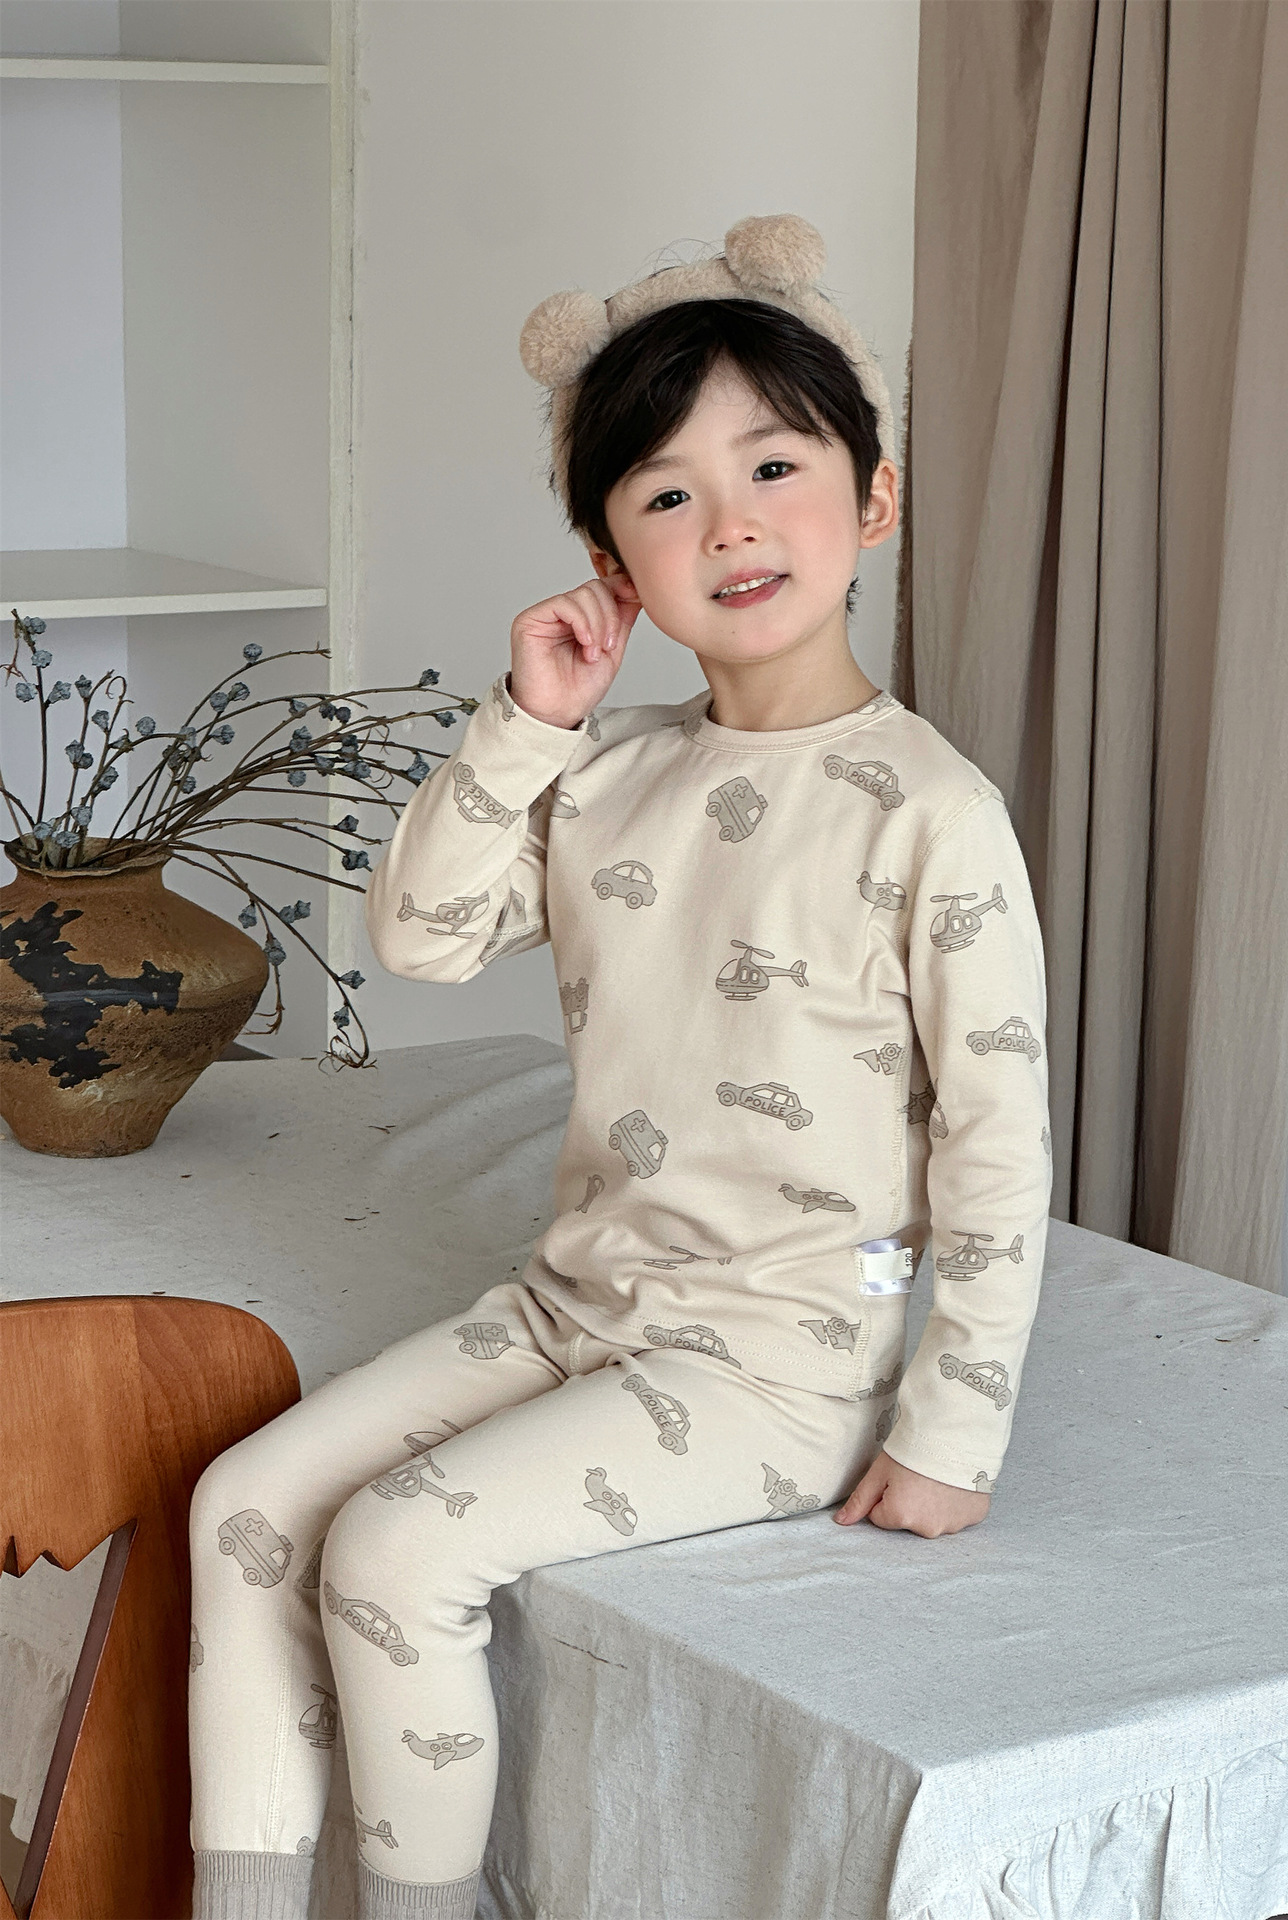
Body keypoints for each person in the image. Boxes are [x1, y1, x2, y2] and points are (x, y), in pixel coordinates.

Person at [188, 214, 1052, 1920]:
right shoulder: (606, 775)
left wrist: (954, 1432)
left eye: (775, 466)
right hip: (573, 1305)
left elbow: (998, 1142)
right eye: (666, 494)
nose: (728, 521)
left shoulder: (933, 812)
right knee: (242, 1509)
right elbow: (424, 935)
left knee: (398, 1547)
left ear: (875, 498)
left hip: (778, 1360)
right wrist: (531, 720)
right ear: (612, 560)